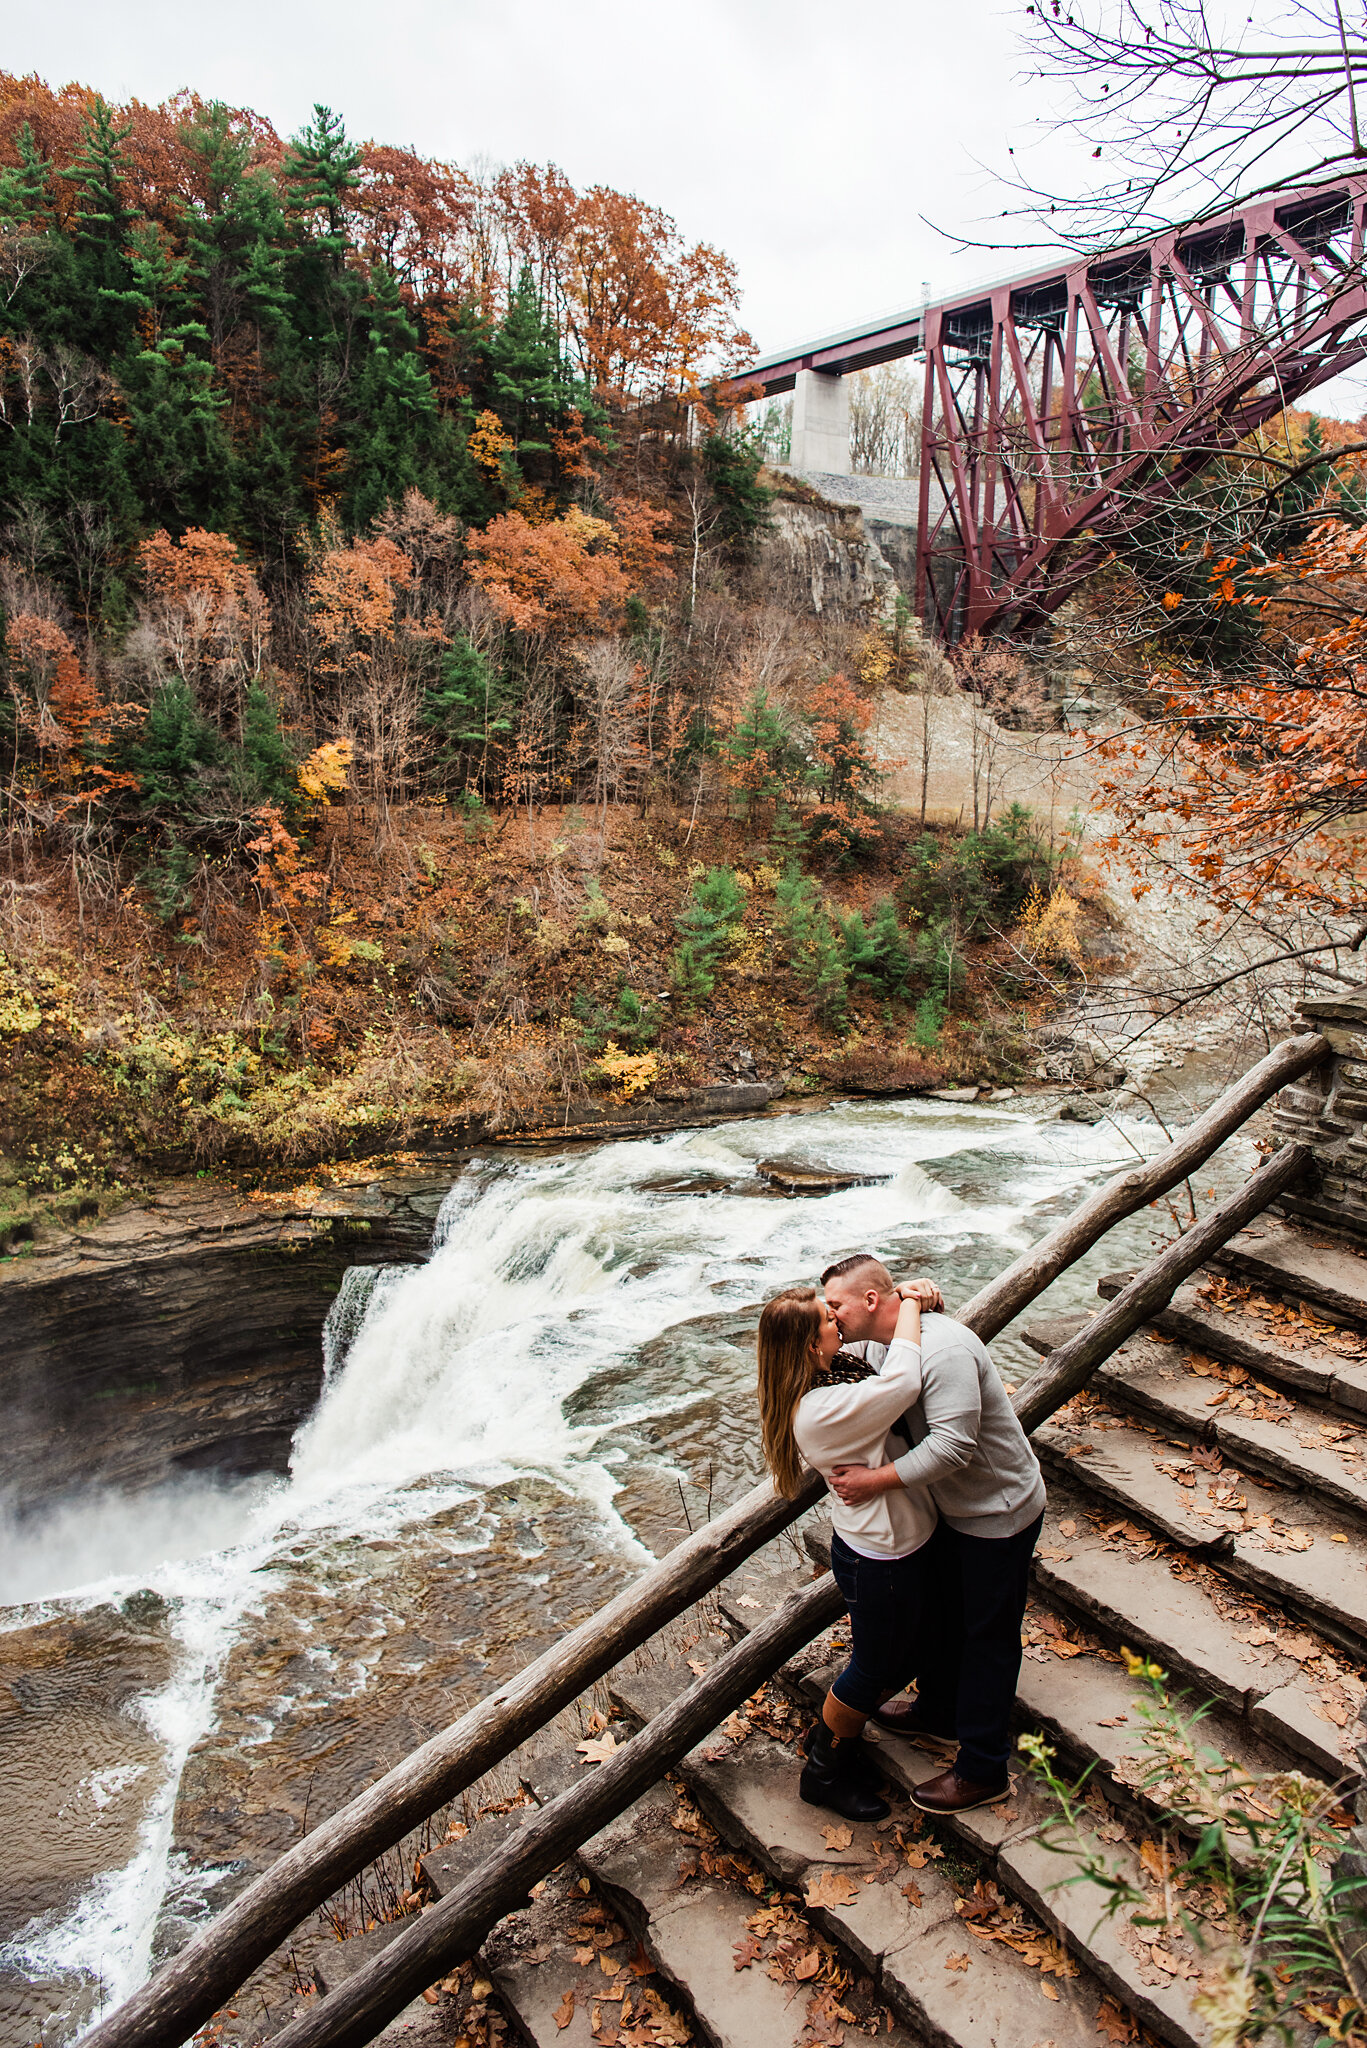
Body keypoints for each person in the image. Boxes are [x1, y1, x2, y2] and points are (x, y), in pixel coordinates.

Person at [821, 1252, 1045, 1816]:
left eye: (836, 1305)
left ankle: (983, 1769)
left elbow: (953, 1446)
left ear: (872, 1301)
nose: (831, 1315)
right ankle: (940, 1711)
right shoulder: (878, 1342)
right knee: (944, 1617)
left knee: (988, 1638)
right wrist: (916, 1295)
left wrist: (872, 1481)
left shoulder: (942, 1349)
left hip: (997, 1511)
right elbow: (823, 1352)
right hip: (952, 1510)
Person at [755, 1279, 936, 1823]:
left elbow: (871, 1341)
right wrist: (908, 1303)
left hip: (897, 1541)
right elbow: (903, 1378)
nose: (839, 1320)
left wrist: (889, 1298)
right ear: (813, 1346)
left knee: (900, 1656)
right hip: (879, 1554)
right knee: (873, 1667)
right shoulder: (820, 1408)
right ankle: (823, 1772)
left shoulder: (834, 1371)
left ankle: (835, 1733)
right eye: (828, 1320)